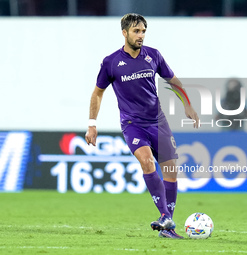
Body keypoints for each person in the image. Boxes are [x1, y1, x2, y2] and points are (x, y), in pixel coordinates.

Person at [85, 13, 199, 239]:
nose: (141, 36)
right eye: (136, 31)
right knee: (147, 161)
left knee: (171, 170)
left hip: (158, 121)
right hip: (132, 124)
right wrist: (92, 124)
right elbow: (97, 94)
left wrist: (187, 104)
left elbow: (173, 81)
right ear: (124, 33)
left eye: (143, 31)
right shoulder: (110, 62)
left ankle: (168, 227)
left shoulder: (153, 56)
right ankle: (165, 215)